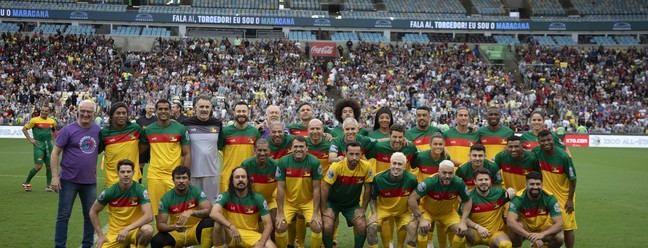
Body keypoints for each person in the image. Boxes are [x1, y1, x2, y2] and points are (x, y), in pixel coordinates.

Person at [50, 100, 101, 248]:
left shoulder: (98, 130)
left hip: (90, 181)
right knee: (63, 216)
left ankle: (87, 244)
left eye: (89, 111)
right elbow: (55, 153)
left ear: (94, 113)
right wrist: (54, 177)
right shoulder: (67, 130)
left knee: (90, 215)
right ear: (77, 111)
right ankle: (60, 246)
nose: (85, 114)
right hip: (68, 180)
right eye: (83, 111)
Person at [140, 99, 191, 215]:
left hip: (175, 177)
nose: (163, 111)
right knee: (158, 213)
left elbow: (187, 153)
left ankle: (177, 234)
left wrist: (185, 175)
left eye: (166, 109)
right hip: (155, 176)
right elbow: (140, 150)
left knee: (178, 212)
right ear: (156, 112)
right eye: (160, 109)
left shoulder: (180, 129)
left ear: (170, 111)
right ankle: (160, 233)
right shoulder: (148, 130)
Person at [89, 159, 154, 248]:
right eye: (122, 172)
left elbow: (149, 216)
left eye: (128, 171)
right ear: (117, 173)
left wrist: (127, 229)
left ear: (133, 173)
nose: (126, 174)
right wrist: (100, 236)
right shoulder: (109, 192)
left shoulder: (140, 190)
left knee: (148, 230)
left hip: (134, 231)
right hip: (115, 233)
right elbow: (93, 211)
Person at [408, 160, 472, 248]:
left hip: (447, 213)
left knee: (461, 231)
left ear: (454, 173)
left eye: (450, 173)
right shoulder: (429, 182)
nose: (447, 176)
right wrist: (421, 219)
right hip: (427, 211)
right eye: (444, 173)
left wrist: (463, 221)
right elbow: (412, 199)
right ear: (438, 172)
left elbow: (468, 200)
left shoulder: (459, 183)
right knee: (423, 229)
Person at [321, 141, 373, 248]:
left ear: (361, 154)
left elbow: (368, 189)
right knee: (327, 226)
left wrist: (363, 209)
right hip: (332, 203)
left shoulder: (366, 166)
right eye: (351, 154)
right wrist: (324, 209)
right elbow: (325, 187)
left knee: (362, 225)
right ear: (345, 154)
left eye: (357, 154)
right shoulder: (336, 166)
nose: (354, 157)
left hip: (351, 205)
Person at [274, 136, 323, 248]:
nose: (298, 149)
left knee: (317, 226)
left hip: (308, 202)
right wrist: (280, 212)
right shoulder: (283, 161)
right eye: (295, 146)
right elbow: (280, 188)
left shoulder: (314, 162)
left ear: (307, 148)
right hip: (288, 202)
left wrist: (316, 213)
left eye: (301, 146)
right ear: (291, 148)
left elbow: (316, 188)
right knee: (280, 226)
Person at [210, 167, 276, 248]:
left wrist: (261, 244)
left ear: (248, 180)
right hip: (231, 234)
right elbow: (213, 213)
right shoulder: (225, 196)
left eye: (243, 177)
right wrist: (232, 227)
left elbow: (268, 225)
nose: (240, 179)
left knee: (271, 246)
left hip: (250, 235)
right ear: (232, 181)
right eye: (237, 177)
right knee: (217, 224)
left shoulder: (258, 198)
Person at [532, 130, 577, 248]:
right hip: (546, 196)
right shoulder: (536, 152)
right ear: (538, 142)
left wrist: (570, 200)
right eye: (543, 141)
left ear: (553, 140)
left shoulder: (563, 156)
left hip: (564, 197)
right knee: (547, 225)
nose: (546, 143)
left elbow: (573, 179)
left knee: (567, 227)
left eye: (548, 140)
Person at [451, 168, 516, 248]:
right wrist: (477, 227)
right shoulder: (468, 196)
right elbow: (462, 218)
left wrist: (511, 190)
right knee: (460, 229)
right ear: (475, 182)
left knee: (506, 245)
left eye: (486, 179)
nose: (484, 182)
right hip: (475, 232)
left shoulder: (499, 193)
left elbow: (516, 198)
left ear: (490, 181)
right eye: (480, 180)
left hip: (495, 233)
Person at [151, 166, 214, 248]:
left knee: (210, 221)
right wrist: (174, 227)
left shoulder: (196, 192)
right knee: (157, 241)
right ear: (173, 180)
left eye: (184, 178)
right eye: (178, 178)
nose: (181, 181)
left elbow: (209, 211)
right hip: (177, 233)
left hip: (195, 231)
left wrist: (191, 212)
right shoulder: (166, 198)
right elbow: (160, 225)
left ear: (189, 180)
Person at [367, 152, 418, 248]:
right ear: (390, 164)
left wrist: (414, 214)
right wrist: (374, 213)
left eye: (400, 164)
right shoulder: (378, 178)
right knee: (371, 226)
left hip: (403, 211)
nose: (396, 167)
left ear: (404, 166)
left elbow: (416, 198)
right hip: (383, 209)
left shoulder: (412, 179)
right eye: (394, 163)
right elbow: (372, 198)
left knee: (413, 226)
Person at [182, 94, 223, 203]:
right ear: (195, 108)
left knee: (211, 205)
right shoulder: (186, 124)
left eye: (207, 107)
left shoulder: (217, 124)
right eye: (201, 107)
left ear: (211, 109)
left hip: (212, 172)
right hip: (192, 172)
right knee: (193, 204)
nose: (204, 109)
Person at [507, 171, 564, 248]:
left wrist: (542, 235)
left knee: (559, 237)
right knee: (515, 230)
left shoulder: (549, 198)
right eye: (532, 184)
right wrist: (531, 236)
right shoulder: (518, 198)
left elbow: (559, 224)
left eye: (538, 184)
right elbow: (510, 222)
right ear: (526, 185)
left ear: (542, 185)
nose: (535, 187)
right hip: (525, 228)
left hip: (543, 228)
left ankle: (543, 246)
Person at [218, 101, 261, 194]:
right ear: (234, 113)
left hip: (248, 178)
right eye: (239, 111)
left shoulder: (254, 132)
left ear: (248, 113)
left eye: (244, 111)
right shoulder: (225, 132)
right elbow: (217, 151)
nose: (241, 114)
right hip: (228, 178)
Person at [99, 102, 143, 188]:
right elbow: (97, 151)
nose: (121, 116)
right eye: (118, 113)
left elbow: (147, 140)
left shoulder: (135, 128)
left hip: (132, 177)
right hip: (112, 178)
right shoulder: (104, 132)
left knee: (132, 202)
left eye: (124, 113)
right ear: (111, 116)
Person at [240, 139, 279, 224]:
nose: (262, 153)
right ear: (254, 151)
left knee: (273, 220)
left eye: (265, 150)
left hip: (269, 200)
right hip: (251, 200)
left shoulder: (275, 165)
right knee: (254, 223)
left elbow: (282, 185)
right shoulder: (246, 164)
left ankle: (271, 237)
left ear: (269, 151)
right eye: (259, 150)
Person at [22, 105, 56, 192]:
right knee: (38, 166)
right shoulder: (34, 120)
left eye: (46, 111)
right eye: (43, 110)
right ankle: (26, 182)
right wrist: (31, 139)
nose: (44, 112)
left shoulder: (52, 121)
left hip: (48, 145)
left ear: (49, 112)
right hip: (39, 145)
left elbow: (53, 131)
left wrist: (53, 141)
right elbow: (24, 129)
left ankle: (48, 186)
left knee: (49, 166)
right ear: (41, 111)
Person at [135, 103, 157, 183]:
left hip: (154, 146)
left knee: (155, 164)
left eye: (152, 108)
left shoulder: (156, 119)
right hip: (143, 145)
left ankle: (155, 182)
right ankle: (139, 183)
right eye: (150, 108)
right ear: (146, 109)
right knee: (140, 164)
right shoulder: (140, 120)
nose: (151, 110)